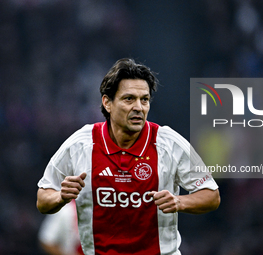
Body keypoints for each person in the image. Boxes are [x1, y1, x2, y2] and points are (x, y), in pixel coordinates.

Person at [36, 58, 220, 255]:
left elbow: (211, 195)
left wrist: (179, 202)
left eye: (145, 99)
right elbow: (43, 199)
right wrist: (61, 197)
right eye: (129, 99)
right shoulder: (81, 144)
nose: (139, 107)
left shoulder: (168, 143)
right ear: (107, 102)